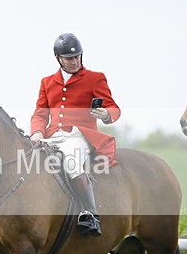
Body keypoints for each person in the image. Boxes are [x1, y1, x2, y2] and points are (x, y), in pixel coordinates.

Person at [30, 33, 121, 237]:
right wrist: (36, 133)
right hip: (52, 135)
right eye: (69, 58)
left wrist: (106, 114)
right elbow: (41, 113)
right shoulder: (47, 82)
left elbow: (113, 108)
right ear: (58, 59)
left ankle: (90, 214)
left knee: (71, 161)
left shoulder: (95, 78)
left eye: (77, 56)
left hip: (79, 136)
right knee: (28, 159)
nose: (75, 61)